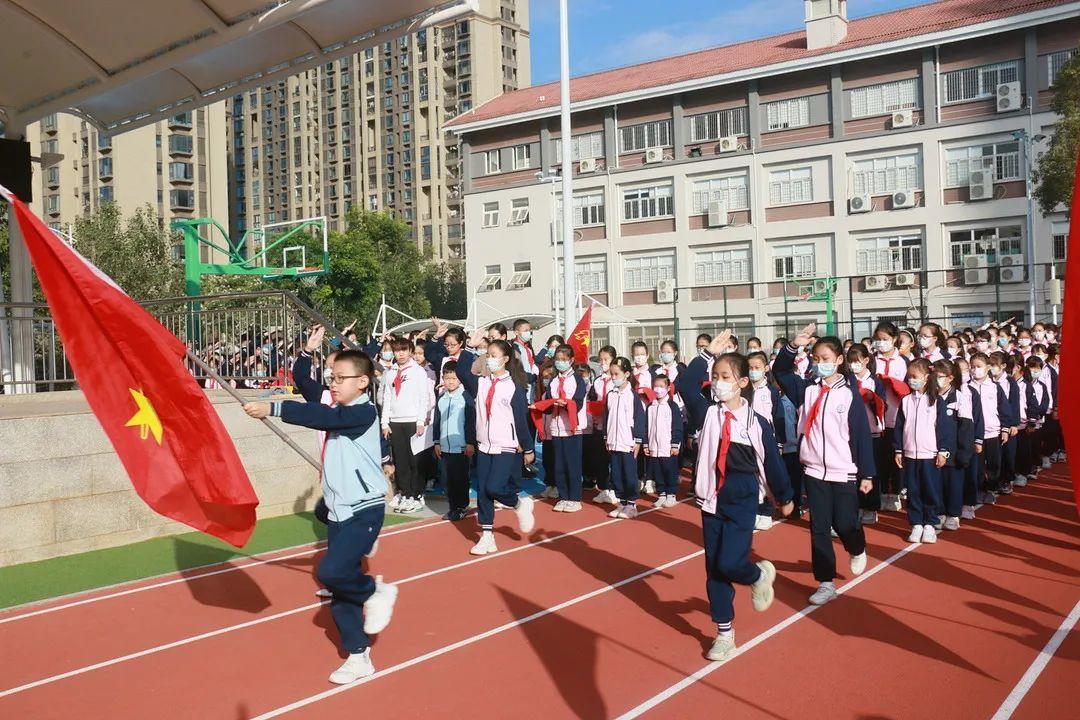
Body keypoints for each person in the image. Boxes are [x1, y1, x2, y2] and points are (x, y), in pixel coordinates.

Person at [243, 350, 398, 684]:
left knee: (331, 571)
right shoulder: (340, 408)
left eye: (341, 378)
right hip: (340, 509)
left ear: (362, 382)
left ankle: (374, 591)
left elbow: (322, 418)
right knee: (339, 589)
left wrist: (274, 407)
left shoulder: (363, 412)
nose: (334, 383)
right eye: (332, 378)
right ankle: (359, 656)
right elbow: (319, 408)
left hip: (364, 509)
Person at [677, 331, 793, 661]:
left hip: (741, 495)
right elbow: (685, 388)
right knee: (714, 568)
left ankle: (757, 574)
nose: (718, 382)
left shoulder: (755, 422)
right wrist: (707, 356)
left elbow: (770, 460)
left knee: (731, 562)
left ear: (742, 382)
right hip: (710, 497)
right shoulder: (709, 413)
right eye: (715, 377)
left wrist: (783, 495)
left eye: (725, 377)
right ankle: (725, 633)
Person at [774, 323, 874, 606]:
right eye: (816, 360)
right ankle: (825, 581)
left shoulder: (849, 394)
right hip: (814, 469)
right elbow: (780, 372)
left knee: (844, 524)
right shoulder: (807, 390)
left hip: (844, 471)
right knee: (819, 527)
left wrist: (866, 472)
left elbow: (861, 436)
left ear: (840, 360)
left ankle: (857, 546)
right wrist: (793, 346)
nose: (821, 365)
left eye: (826, 360)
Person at [454, 339, 536, 555]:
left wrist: (528, 448)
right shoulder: (481, 383)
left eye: (493, 355)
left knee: (494, 487)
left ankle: (519, 504)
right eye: (487, 355)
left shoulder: (514, 388)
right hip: (484, 445)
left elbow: (521, 421)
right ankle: (487, 536)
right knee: (483, 491)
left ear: (505, 359)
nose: (489, 359)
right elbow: (462, 370)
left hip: (505, 445)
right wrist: (470, 347)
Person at [894, 358, 956, 544]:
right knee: (913, 490)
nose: (911, 380)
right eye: (909, 376)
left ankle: (930, 523)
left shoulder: (936, 401)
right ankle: (916, 524)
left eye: (915, 376)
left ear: (927, 377)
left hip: (929, 455)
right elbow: (899, 427)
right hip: (910, 454)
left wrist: (943, 451)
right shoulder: (905, 401)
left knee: (930, 490)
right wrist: (898, 449)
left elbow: (944, 429)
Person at [380, 338, 433, 514]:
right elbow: (387, 397)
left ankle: (417, 494)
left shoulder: (418, 371)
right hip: (395, 421)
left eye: (404, 350)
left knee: (415, 460)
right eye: (397, 350)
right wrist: (384, 422)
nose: (400, 353)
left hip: (412, 421)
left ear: (410, 351)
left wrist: (420, 421)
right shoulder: (390, 372)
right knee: (400, 460)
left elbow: (423, 397)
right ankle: (406, 492)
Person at [540, 344, 589, 512]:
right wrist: (541, 406)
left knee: (572, 464)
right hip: (556, 427)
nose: (560, 363)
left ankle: (575, 497)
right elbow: (547, 401)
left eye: (564, 360)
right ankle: (563, 496)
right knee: (559, 464)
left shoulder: (577, 380)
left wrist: (566, 404)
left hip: (572, 428)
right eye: (558, 360)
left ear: (571, 360)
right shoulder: (553, 381)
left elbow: (579, 402)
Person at [933, 359, 978, 531]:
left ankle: (953, 514)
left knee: (953, 485)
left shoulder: (960, 398)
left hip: (954, 452)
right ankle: (939, 512)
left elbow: (966, 428)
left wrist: (964, 453)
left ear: (950, 378)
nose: (936, 380)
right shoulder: (931, 396)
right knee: (937, 484)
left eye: (940, 376)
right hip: (935, 450)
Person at [747, 351, 787, 530]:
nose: (753, 371)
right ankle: (755, 510)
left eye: (757, 368)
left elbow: (778, 417)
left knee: (767, 476)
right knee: (752, 476)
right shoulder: (744, 390)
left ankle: (767, 511)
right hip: (747, 439)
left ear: (765, 369)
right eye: (750, 368)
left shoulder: (772, 391)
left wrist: (779, 441)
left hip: (767, 441)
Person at [604, 357, 647, 518]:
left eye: (616, 374)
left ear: (627, 374)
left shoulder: (632, 396)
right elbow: (607, 416)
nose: (613, 377)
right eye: (611, 374)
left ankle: (631, 504)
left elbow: (639, 418)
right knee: (616, 474)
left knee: (629, 473)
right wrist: (606, 437)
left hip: (628, 442)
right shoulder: (611, 395)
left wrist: (638, 440)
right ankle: (622, 502)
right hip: (613, 442)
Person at [847, 343, 885, 524]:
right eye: (851, 362)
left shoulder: (875, 381)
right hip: (851, 433)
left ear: (866, 361)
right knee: (854, 472)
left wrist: (872, 399)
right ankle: (858, 505)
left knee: (870, 472)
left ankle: (871, 507)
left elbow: (883, 404)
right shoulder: (847, 380)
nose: (854, 365)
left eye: (857, 361)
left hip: (872, 432)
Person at [433, 361, 476, 521]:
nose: (450, 381)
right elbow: (437, 422)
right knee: (447, 480)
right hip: (444, 448)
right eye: (447, 378)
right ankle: (453, 507)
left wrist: (470, 442)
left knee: (460, 479)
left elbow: (471, 422)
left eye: (454, 378)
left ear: (460, 379)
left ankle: (462, 506)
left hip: (461, 448)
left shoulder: (465, 398)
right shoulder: (442, 399)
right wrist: (436, 442)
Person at [873, 321, 908, 513]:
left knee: (895, 456)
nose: (881, 343)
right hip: (876, 418)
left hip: (896, 415)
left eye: (885, 339)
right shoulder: (872, 360)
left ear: (894, 339)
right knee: (879, 457)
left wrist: (891, 382)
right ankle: (879, 493)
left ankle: (894, 493)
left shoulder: (903, 362)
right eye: (878, 339)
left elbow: (907, 388)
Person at [587, 345, 618, 505]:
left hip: (614, 426)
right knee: (600, 459)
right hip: (599, 425)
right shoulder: (597, 381)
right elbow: (592, 399)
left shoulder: (617, 381)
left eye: (606, 359)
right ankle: (604, 488)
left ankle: (614, 489)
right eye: (601, 360)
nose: (603, 363)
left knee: (613, 459)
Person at [646, 374, 683, 508]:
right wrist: (646, 443)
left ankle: (671, 494)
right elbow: (647, 426)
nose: (658, 389)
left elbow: (677, 426)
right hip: (654, 447)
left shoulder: (672, 406)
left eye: (661, 386)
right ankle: (661, 494)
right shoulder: (651, 406)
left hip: (667, 447)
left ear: (668, 388)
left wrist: (675, 443)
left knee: (669, 470)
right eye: (656, 386)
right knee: (658, 471)